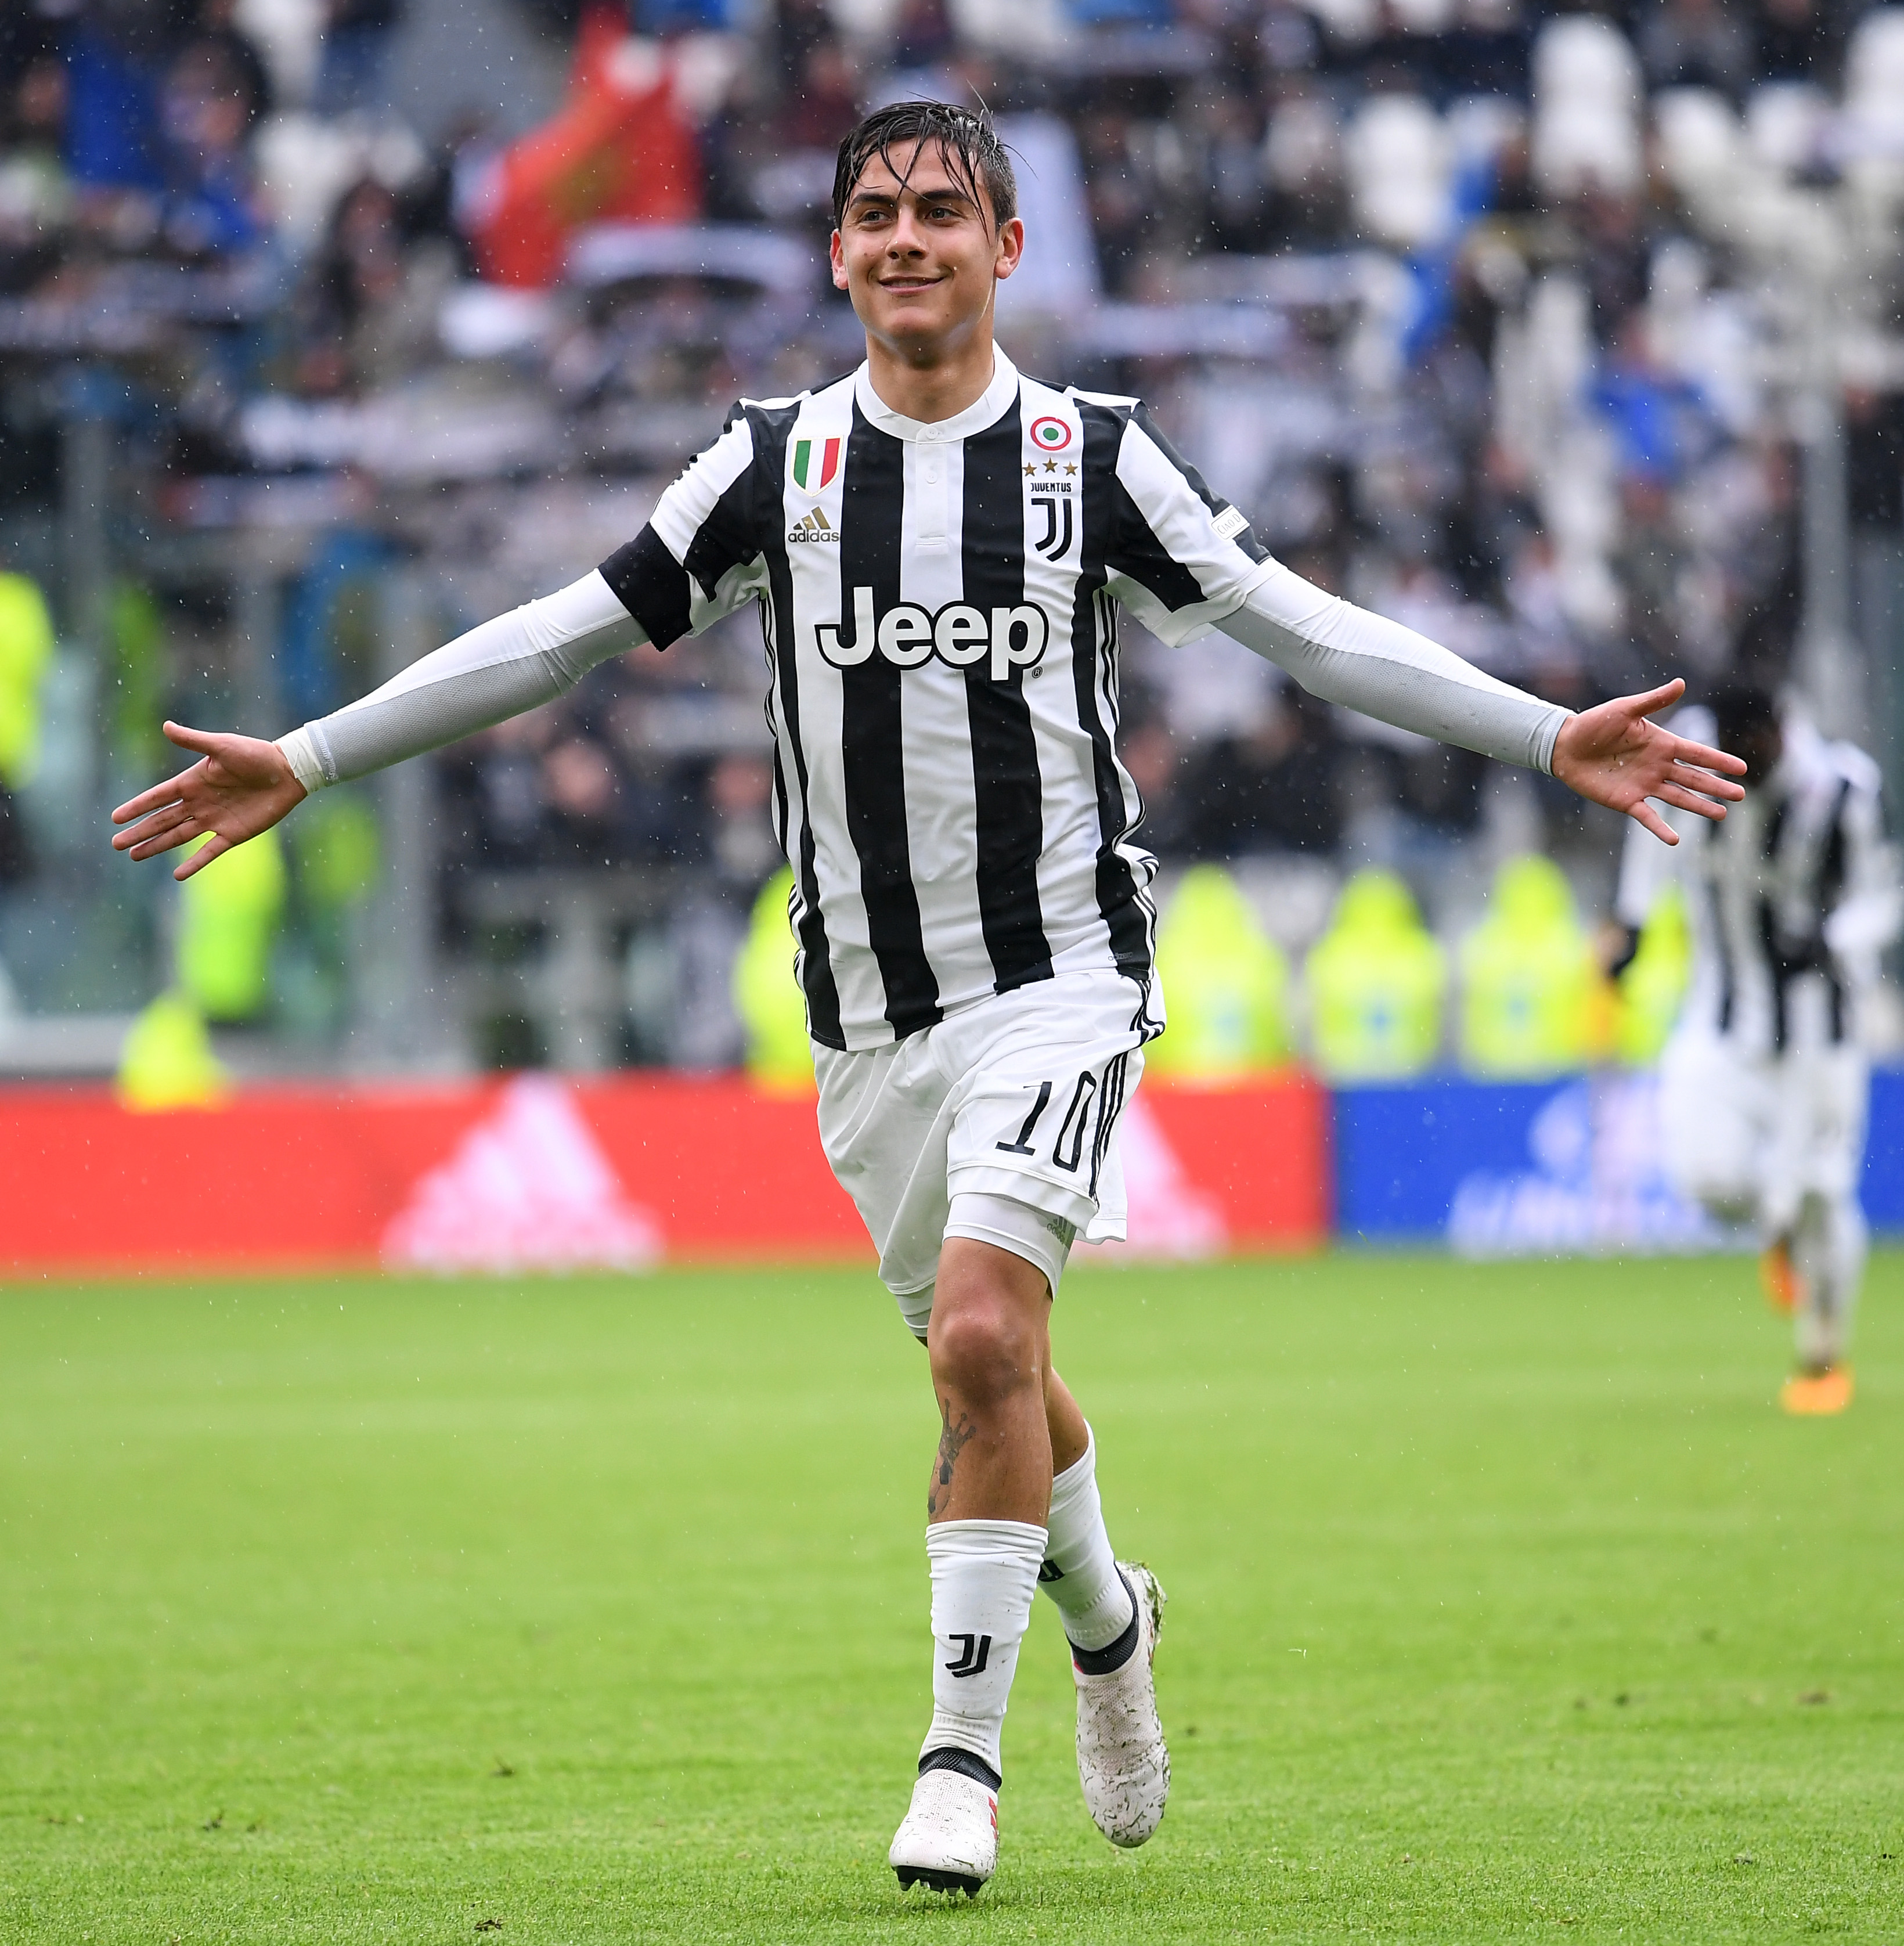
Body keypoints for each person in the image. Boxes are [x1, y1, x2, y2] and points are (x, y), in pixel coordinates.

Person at [110, 102, 1746, 1897]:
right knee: (997, 1374)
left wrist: (1543, 733)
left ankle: (958, 1765)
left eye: (943, 212)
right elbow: (562, 632)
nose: (908, 237)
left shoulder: (1090, 458)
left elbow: (1303, 628)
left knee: (979, 1339)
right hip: (867, 1024)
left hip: (1060, 978)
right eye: (876, 212)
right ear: (835, 254)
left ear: (1006, 248)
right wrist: (313, 756)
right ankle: (1109, 1619)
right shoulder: (774, 466)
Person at [1613, 682, 1898, 1417]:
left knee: (1822, 1193)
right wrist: (1632, 923)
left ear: (1780, 730)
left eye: (1756, 749)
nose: (1745, 761)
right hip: (1722, 1019)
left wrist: (1834, 939)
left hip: (1821, 1035)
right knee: (1704, 1176)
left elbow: (1888, 892)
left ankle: (1821, 1357)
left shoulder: (1844, 788)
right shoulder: (1689, 760)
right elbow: (1645, 823)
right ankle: (1775, 1223)